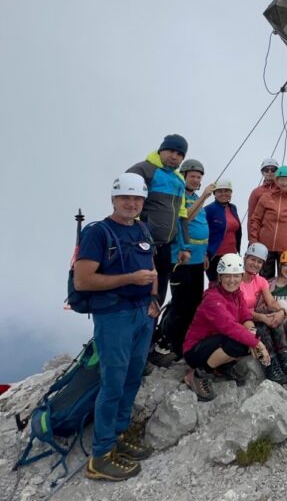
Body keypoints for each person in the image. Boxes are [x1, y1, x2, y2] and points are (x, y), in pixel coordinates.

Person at [74, 173, 160, 481]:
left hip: (142, 314)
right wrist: (130, 279)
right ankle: (100, 456)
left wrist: (154, 300)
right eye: (125, 197)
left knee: (132, 377)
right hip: (113, 317)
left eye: (137, 198)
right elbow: (83, 280)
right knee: (113, 382)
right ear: (113, 199)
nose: (131, 203)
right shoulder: (98, 233)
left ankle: (118, 435)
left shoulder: (141, 228)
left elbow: (151, 268)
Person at [182, 254, 270, 401]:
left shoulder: (237, 294)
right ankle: (198, 374)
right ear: (220, 277)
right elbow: (230, 327)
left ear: (241, 276)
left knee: (255, 333)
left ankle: (222, 366)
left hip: (215, 342)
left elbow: (245, 317)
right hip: (195, 350)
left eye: (236, 276)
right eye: (227, 276)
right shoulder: (213, 299)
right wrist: (256, 343)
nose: (232, 280)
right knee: (239, 342)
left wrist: (253, 334)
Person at [155, 158, 213, 364]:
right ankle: (166, 342)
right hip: (181, 260)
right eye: (193, 176)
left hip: (197, 261)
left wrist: (205, 253)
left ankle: (183, 341)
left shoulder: (195, 196)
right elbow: (184, 218)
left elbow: (200, 226)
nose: (196, 180)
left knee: (194, 303)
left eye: (199, 177)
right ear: (184, 176)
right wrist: (205, 197)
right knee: (180, 305)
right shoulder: (179, 196)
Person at [127, 134, 189, 306]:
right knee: (139, 292)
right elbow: (127, 207)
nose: (174, 156)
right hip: (141, 246)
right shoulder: (143, 170)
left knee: (158, 295)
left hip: (166, 248)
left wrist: (184, 247)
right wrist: (138, 236)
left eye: (179, 153)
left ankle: (150, 330)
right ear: (161, 150)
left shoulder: (179, 179)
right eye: (170, 150)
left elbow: (181, 213)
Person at [239, 243, 287, 384]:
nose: (255, 264)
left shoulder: (261, 281)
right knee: (263, 326)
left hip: (255, 316)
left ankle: (284, 356)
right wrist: (263, 318)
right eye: (252, 259)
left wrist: (281, 311)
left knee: (274, 317)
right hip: (241, 319)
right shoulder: (236, 279)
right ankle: (270, 363)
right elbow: (240, 310)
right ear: (245, 258)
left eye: (259, 262)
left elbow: (271, 301)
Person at [249, 165, 287, 279]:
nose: (285, 183)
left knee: (285, 278)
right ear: (276, 180)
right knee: (265, 279)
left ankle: (283, 298)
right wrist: (253, 240)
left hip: (286, 247)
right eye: (282, 179)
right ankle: (265, 297)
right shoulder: (266, 197)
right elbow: (255, 219)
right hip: (265, 246)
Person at [204, 179, 242, 284]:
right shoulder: (208, 210)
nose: (224, 193)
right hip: (215, 256)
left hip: (232, 255)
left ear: (231, 193)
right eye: (220, 191)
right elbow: (202, 233)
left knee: (232, 285)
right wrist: (205, 254)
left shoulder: (233, 208)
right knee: (216, 286)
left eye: (227, 191)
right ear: (214, 193)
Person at [247, 157, 279, 243]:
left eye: (273, 169)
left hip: (280, 236)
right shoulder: (256, 192)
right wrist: (252, 239)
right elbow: (251, 217)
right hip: (262, 237)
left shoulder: (282, 189)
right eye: (266, 170)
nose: (269, 172)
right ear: (262, 172)